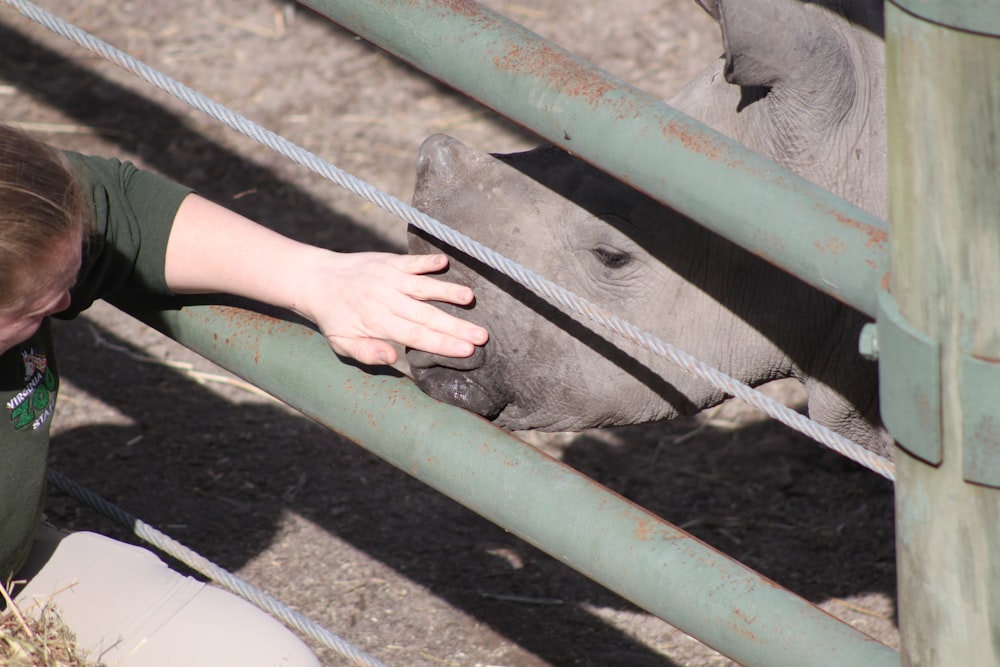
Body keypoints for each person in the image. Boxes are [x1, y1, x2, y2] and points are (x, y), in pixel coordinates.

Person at [0, 121, 489, 665]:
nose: (69, 303)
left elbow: (115, 206)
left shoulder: (16, 198)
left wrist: (317, 277)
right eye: (37, 311)